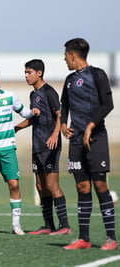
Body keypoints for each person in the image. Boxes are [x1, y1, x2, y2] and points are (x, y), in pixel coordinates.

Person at [60, 38, 117, 250]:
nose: (64, 58)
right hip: (76, 141)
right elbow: (64, 105)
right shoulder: (68, 80)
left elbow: (108, 104)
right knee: (81, 186)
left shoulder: (98, 74)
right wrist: (64, 125)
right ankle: (83, 238)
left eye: (65, 55)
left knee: (100, 185)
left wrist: (92, 125)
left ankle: (111, 238)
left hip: (96, 139)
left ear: (73, 55)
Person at [14, 59, 70, 235]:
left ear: (39, 73)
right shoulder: (33, 95)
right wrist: (15, 128)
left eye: (29, 72)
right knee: (40, 185)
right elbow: (34, 118)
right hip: (37, 145)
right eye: (25, 72)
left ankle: (65, 226)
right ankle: (48, 226)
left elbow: (60, 114)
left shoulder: (49, 91)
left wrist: (55, 134)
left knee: (52, 184)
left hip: (50, 145)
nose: (26, 76)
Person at [0, 68, 37, 235]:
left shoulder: (9, 96)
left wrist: (32, 112)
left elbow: (23, 112)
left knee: (14, 184)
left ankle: (16, 224)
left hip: (8, 148)